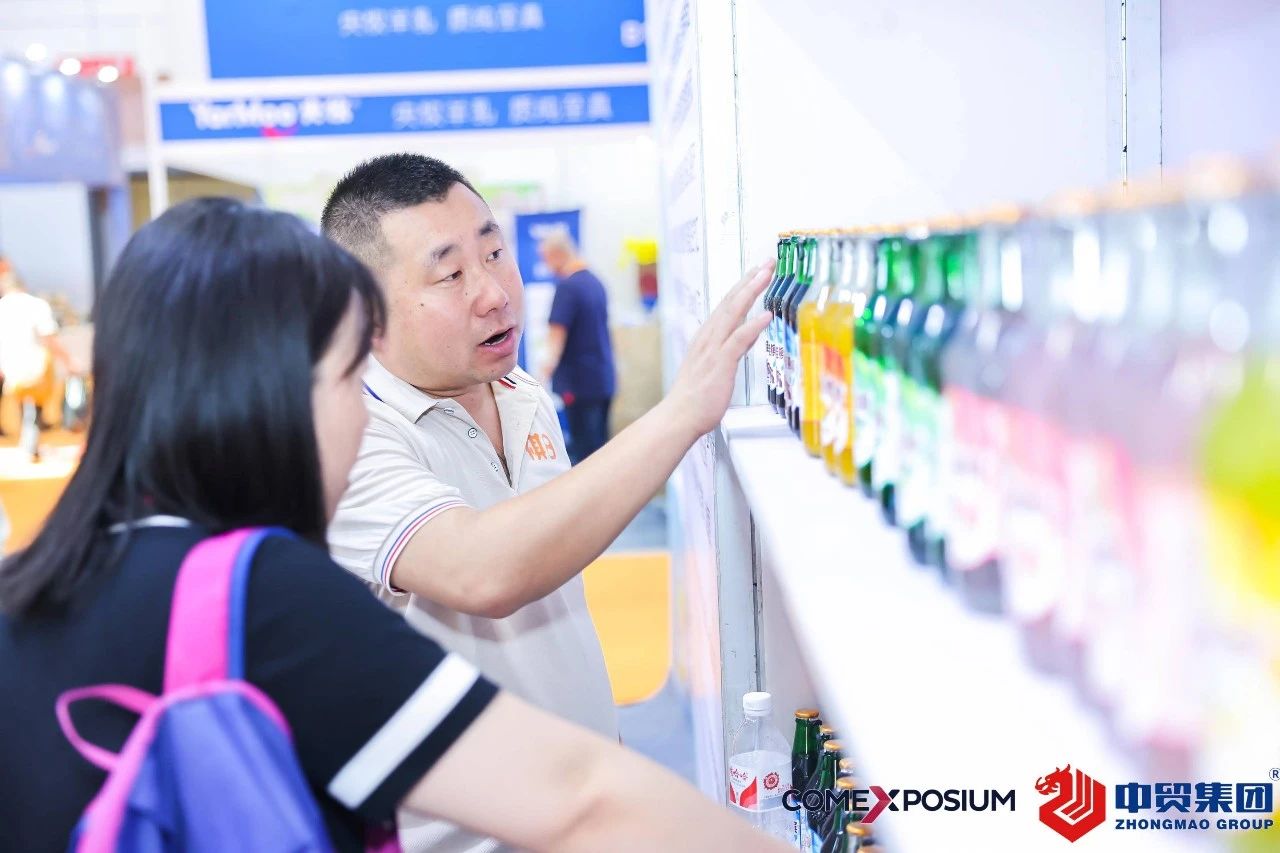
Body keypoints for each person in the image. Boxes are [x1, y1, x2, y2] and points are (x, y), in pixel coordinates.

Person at [0, 198, 789, 853]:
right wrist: (684, 412)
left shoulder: (31, 588)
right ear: (270, 394)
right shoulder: (259, 595)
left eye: (494, 254)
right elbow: (579, 796)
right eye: (350, 377)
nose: (360, 410)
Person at [320, 154, 772, 852]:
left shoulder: (522, 393)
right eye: (450, 275)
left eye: (494, 253)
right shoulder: (350, 434)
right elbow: (483, 571)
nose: (494, 293)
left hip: (582, 812)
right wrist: (681, 412)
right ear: (365, 314)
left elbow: (556, 597)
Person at [538, 233, 616, 463]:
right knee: (600, 450)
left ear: (557, 254)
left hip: (579, 385)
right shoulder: (596, 282)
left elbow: (555, 340)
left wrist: (538, 381)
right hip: (603, 380)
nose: (546, 265)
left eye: (546, 258)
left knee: (584, 456)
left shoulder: (568, 288)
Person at [0, 256, 77, 438]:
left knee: (24, 402)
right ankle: (34, 426)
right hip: (36, 371)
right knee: (35, 400)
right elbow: (50, 339)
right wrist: (69, 361)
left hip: (10, 371)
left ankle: (30, 429)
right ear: (24, 286)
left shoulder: (2, 307)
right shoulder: (37, 305)